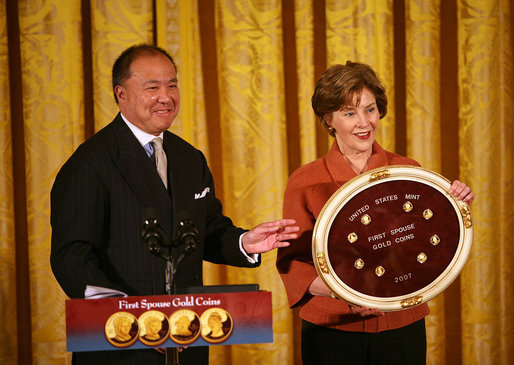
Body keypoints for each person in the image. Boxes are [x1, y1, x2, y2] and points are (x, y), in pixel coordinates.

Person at [50, 43, 299, 365]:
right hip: (121, 346)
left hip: (187, 340)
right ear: (121, 94)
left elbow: (205, 229)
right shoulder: (91, 162)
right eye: (152, 87)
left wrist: (243, 242)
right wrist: (131, 320)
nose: (166, 97)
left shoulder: (188, 158)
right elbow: (72, 255)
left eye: (172, 85)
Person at [276, 61, 474, 364]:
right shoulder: (304, 181)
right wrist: (345, 294)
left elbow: (427, 240)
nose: (363, 122)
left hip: (401, 324)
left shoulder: (409, 172)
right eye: (349, 112)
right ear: (329, 120)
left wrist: (455, 207)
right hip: (332, 329)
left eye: (370, 109)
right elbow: (293, 265)